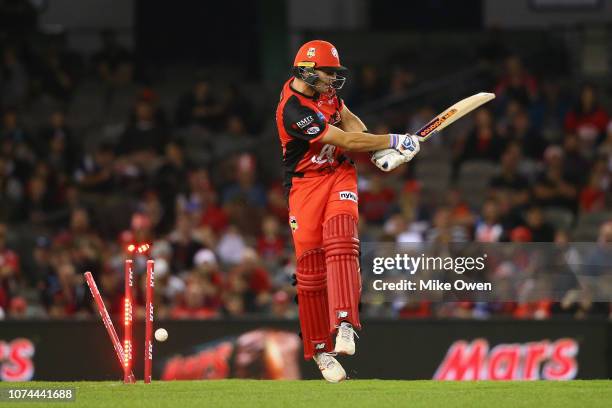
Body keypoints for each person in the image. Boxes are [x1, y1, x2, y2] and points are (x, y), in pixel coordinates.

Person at [275, 40, 420, 382]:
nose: (333, 80)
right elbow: (347, 140)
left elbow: (350, 121)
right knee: (310, 273)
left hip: (338, 173)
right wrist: (392, 141)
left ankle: (344, 323)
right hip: (305, 185)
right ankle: (320, 352)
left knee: (342, 239)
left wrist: (376, 151)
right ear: (307, 73)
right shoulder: (293, 111)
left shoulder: (325, 92)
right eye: (329, 74)